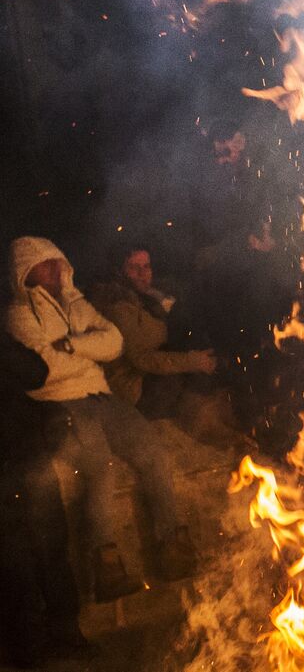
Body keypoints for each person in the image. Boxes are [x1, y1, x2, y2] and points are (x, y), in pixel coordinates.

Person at [5, 236, 197, 601]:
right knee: (99, 467)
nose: (55, 268)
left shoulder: (77, 304)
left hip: (101, 396)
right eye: (45, 263)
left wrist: (73, 346)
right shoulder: (19, 314)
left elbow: (115, 343)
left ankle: (172, 545)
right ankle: (107, 566)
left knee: (151, 449)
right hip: (62, 402)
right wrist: (82, 353)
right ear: (25, 271)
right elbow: (43, 369)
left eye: (57, 261)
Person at [0, 332, 90, 667]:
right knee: (15, 565)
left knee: (53, 551)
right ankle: (28, 651)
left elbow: (36, 371)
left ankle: (67, 635)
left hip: (30, 460)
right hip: (6, 472)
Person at [90, 244, 229, 439]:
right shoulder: (118, 307)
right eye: (133, 267)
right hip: (131, 386)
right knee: (184, 375)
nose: (142, 273)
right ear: (119, 271)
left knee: (206, 342)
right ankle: (198, 424)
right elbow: (142, 359)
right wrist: (192, 361)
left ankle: (217, 411)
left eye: (146, 266)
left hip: (146, 371)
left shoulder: (148, 296)